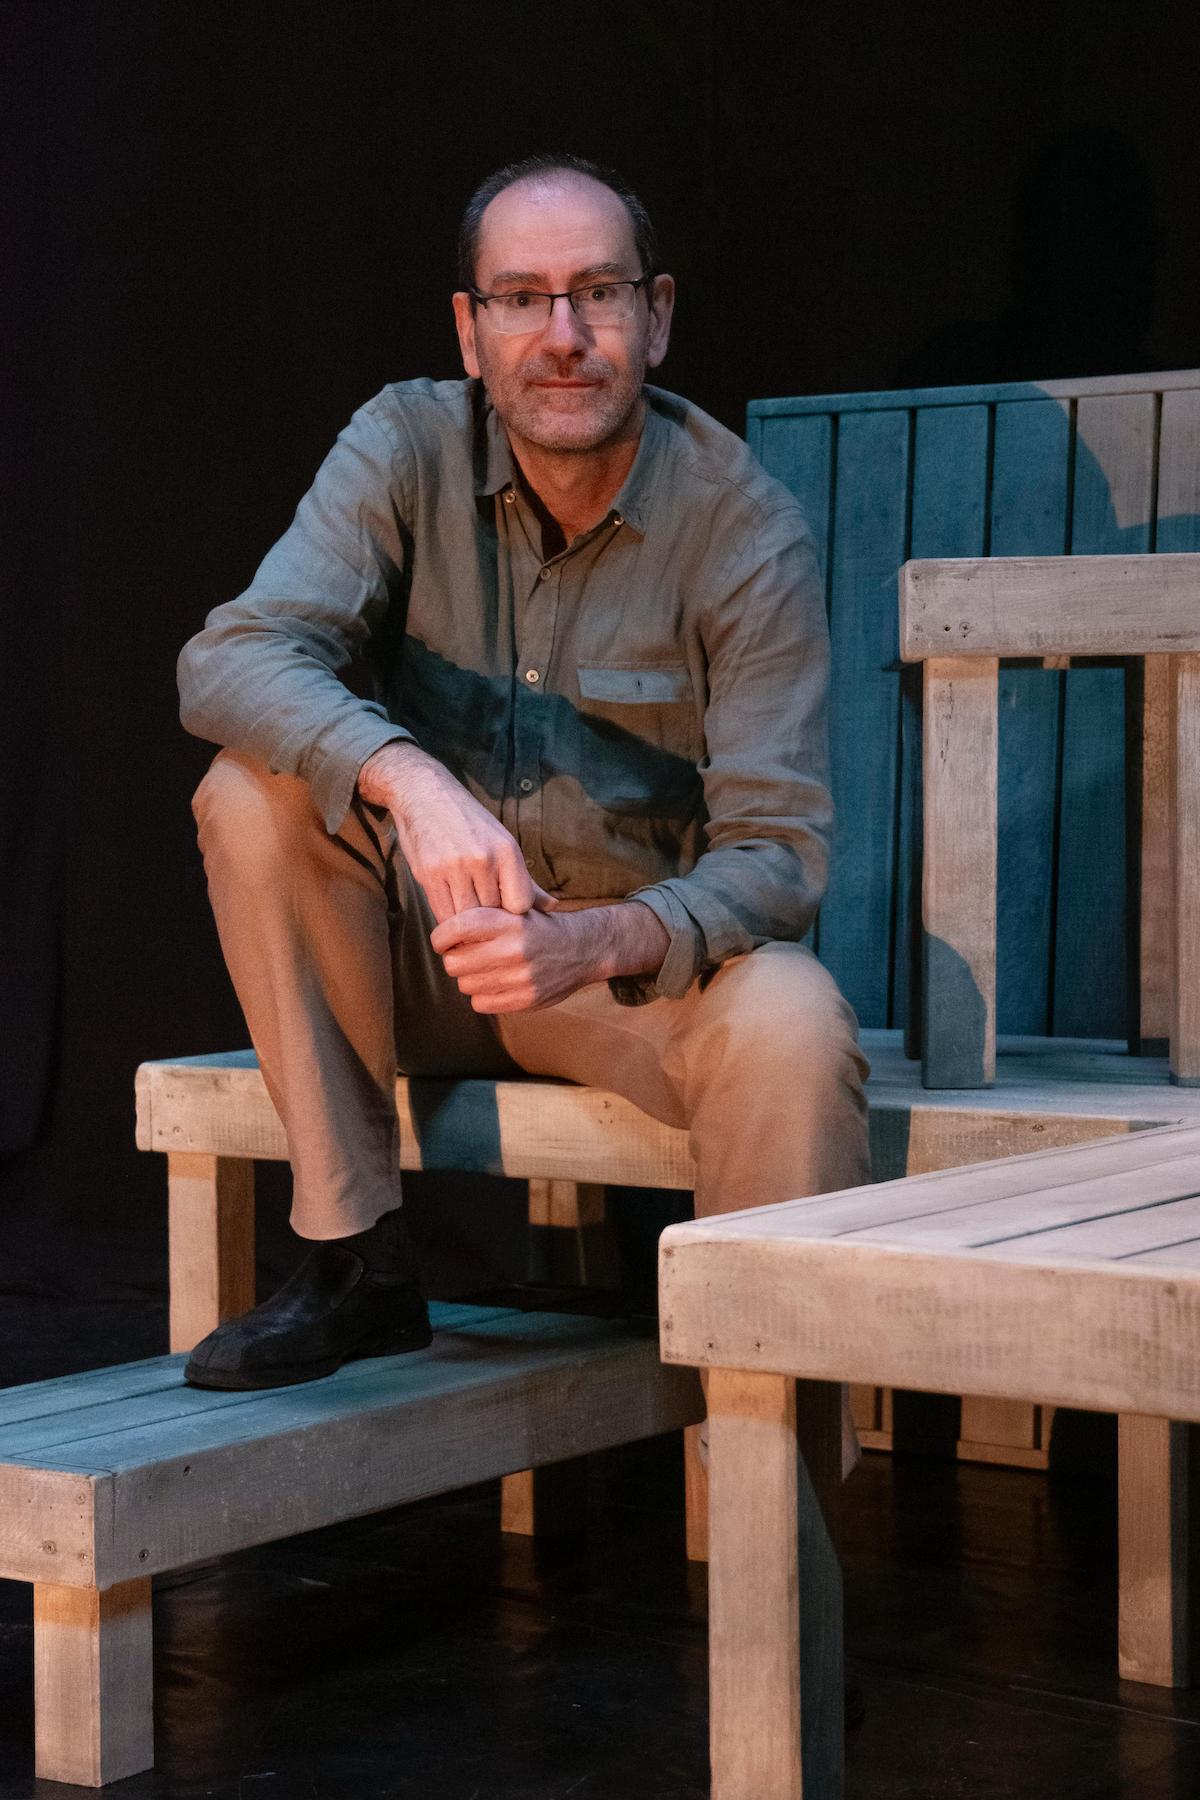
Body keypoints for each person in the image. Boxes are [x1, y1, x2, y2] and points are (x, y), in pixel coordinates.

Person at [177, 152, 870, 1391]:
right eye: (520, 298)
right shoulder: (404, 445)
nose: (563, 336)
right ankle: (357, 1264)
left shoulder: (743, 527)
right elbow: (232, 656)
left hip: (622, 987)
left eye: (597, 293)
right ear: (470, 329)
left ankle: (776, 1449)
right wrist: (409, 778)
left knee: (792, 1021)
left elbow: (781, 858)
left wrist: (595, 940)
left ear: (656, 316)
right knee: (253, 791)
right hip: (427, 962)